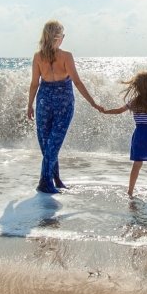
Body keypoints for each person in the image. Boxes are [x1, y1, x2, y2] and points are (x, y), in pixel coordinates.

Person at [26, 20, 101, 194]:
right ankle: (45, 182)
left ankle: (55, 178)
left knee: (49, 144)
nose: (64, 38)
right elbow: (77, 81)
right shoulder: (66, 56)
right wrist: (93, 102)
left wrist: (30, 105)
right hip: (63, 102)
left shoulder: (38, 56)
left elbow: (34, 84)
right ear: (58, 37)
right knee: (51, 144)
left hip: (44, 100)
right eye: (63, 35)